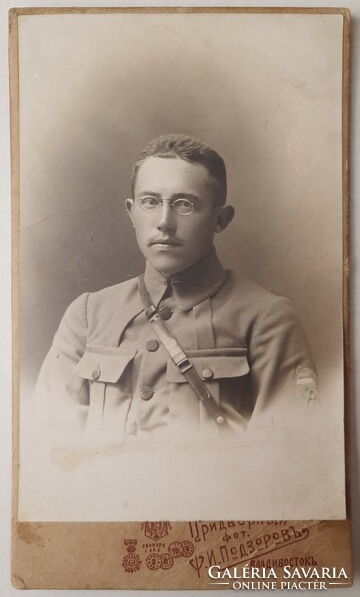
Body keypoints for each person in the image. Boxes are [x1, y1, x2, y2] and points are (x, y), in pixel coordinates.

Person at [33, 133, 318, 445]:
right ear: (132, 212)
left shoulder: (266, 320)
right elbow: (50, 446)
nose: (164, 222)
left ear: (220, 218)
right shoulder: (88, 314)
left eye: (185, 204)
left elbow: (287, 459)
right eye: (150, 202)